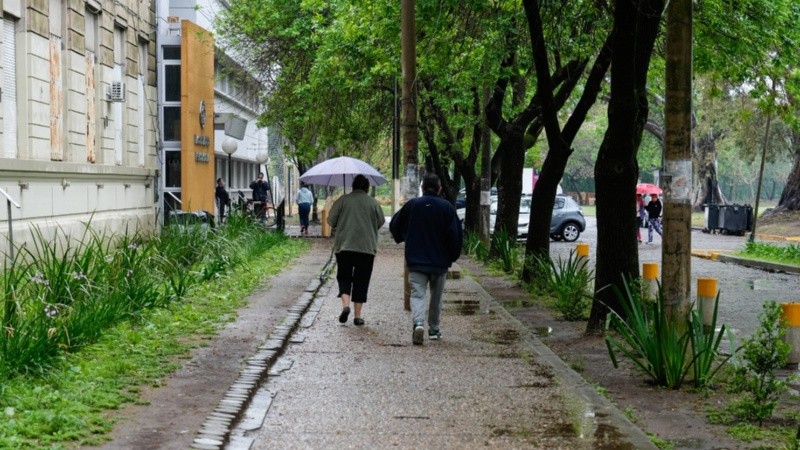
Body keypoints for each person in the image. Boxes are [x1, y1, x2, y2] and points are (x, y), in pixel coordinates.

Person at [390, 173, 463, 345]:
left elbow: (395, 224)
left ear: (422, 188)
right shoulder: (447, 208)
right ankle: (434, 330)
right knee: (436, 298)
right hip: (440, 262)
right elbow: (455, 235)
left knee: (417, 295)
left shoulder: (413, 205)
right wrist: (453, 256)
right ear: (439, 189)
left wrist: (403, 236)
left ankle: (418, 324)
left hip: (416, 260)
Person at [327, 174, 385, 326]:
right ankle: (357, 316)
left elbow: (331, 221)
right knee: (362, 280)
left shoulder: (342, 200)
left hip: (345, 246)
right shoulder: (373, 203)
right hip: (366, 249)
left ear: (353, 187)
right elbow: (380, 222)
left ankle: (345, 306)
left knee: (344, 276)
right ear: (366, 188)